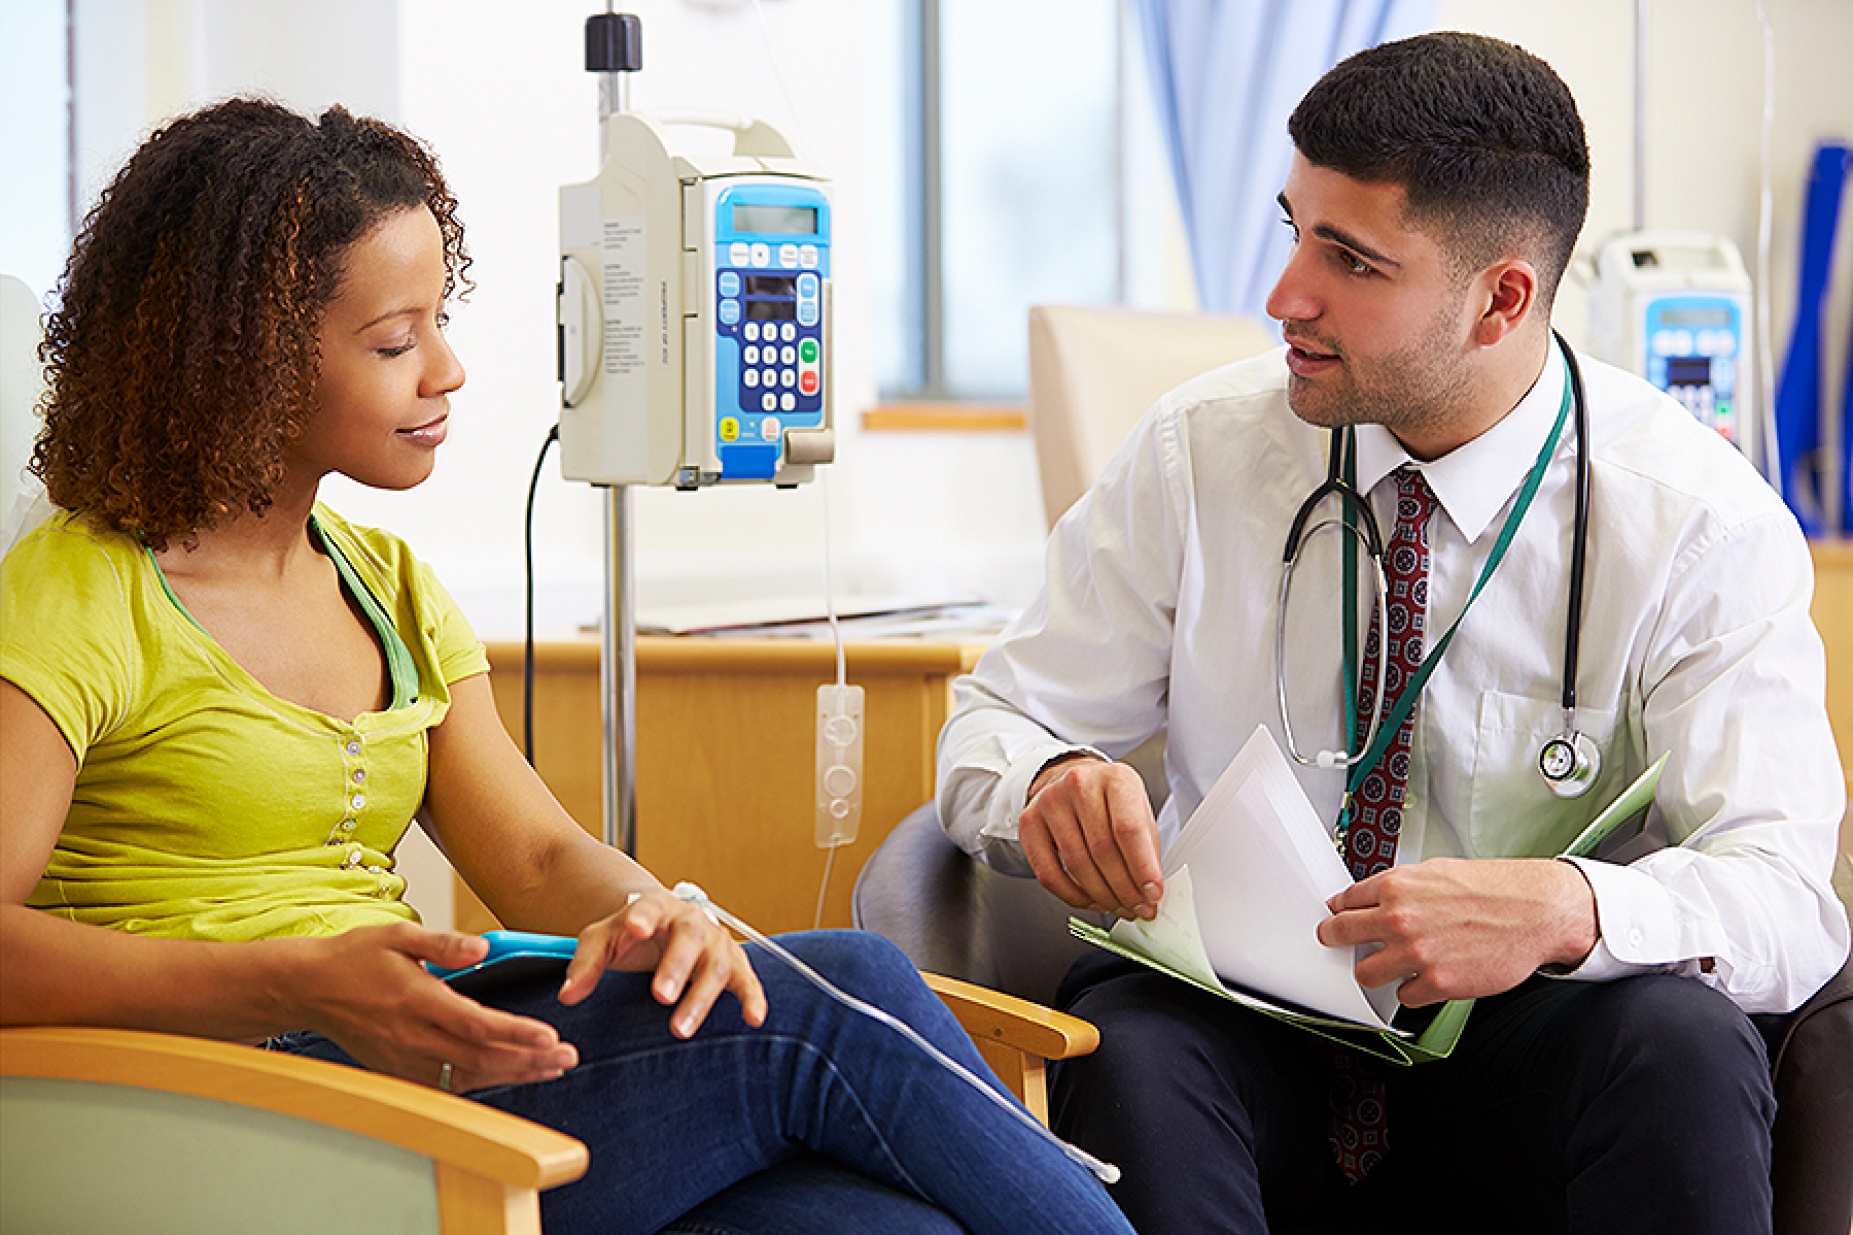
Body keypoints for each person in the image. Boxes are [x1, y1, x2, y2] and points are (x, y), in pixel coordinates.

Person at [0, 98, 1138, 1235]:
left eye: (439, 322)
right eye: (394, 342)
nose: (446, 369)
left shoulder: (386, 586)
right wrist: (298, 979)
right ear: (241, 359)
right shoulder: (79, 594)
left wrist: (664, 915)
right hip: (219, 1102)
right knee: (840, 993)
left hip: (422, 1052)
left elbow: (540, 857)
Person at [937, 31, 1848, 1235]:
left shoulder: (1694, 525)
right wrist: (1044, 778)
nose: (1283, 296)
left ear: (1499, 299)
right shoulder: (1197, 451)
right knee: (1132, 1041)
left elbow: (1783, 894)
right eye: (1293, 230)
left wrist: (1564, 906)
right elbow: (994, 722)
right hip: (1238, 1025)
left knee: (1676, 1042)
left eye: (1350, 260)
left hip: (1521, 1045)